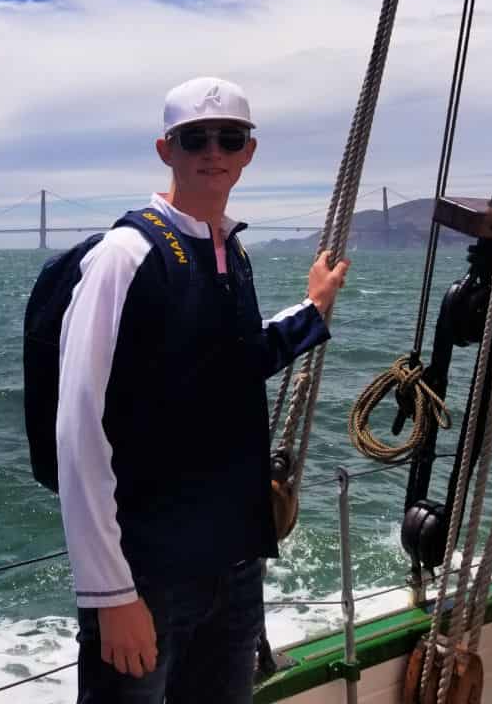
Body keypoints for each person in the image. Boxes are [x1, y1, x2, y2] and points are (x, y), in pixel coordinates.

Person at [55, 76, 350, 704]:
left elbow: (232, 363)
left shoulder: (228, 250)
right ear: (167, 150)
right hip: (149, 580)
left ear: (249, 151)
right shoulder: (126, 255)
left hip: (234, 570)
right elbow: (77, 430)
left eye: (229, 138)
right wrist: (111, 595)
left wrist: (314, 310)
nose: (212, 150)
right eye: (195, 139)